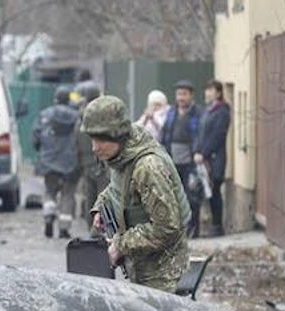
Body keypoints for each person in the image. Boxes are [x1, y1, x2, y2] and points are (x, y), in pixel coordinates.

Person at [82, 95, 191, 292]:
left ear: (117, 134)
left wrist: (120, 245)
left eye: (100, 140)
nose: (94, 148)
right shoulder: (123, 154)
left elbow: (166, 228)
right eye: (92, 139)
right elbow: (120, 188)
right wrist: (101, 207)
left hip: (162, 275)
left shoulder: (148, 167)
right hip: (142, 268)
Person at [33, 85, 80, 239]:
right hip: (70, 162)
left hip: (49, 160)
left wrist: (41, 151)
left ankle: (48, 215)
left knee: (50, 191)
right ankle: (64, 229)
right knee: (67, 194)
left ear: (55, 99)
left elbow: (36, 137)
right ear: (68, 100)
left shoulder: (44, 115)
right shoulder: (76, 117)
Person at [160, 79, 202, 238]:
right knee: (174, 196)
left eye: (184, 94)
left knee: (192, 195)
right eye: (178, 94)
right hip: (173, 159)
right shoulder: (171, 112)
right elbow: (165, 134)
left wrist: (198, 151)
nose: (181, 98)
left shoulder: (197, 113)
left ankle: (193, 227)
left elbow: (200, 135)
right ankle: (179, 228)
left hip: (191, 160)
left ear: (191, 95)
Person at [194, 80, 231, 237]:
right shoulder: (207, 111)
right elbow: (200, 134)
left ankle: (217, 226)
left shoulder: (222, 112)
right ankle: (208, 225)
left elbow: (217, 136)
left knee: (215, 191)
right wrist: (196, 150)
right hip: (203, 159)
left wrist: (204, 153)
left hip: (215, 159)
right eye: (206, 90)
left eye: (210, 90)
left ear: (218, 93)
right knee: (206, 192)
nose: (207, 93)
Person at [74, 82, 107, 235]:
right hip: (102, 163)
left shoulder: (80, 118)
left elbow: (76, 142)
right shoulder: (102, 115)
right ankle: (99, 231)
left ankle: (91, 230)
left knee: (90, 198)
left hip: (86, 164)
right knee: (103, 199)